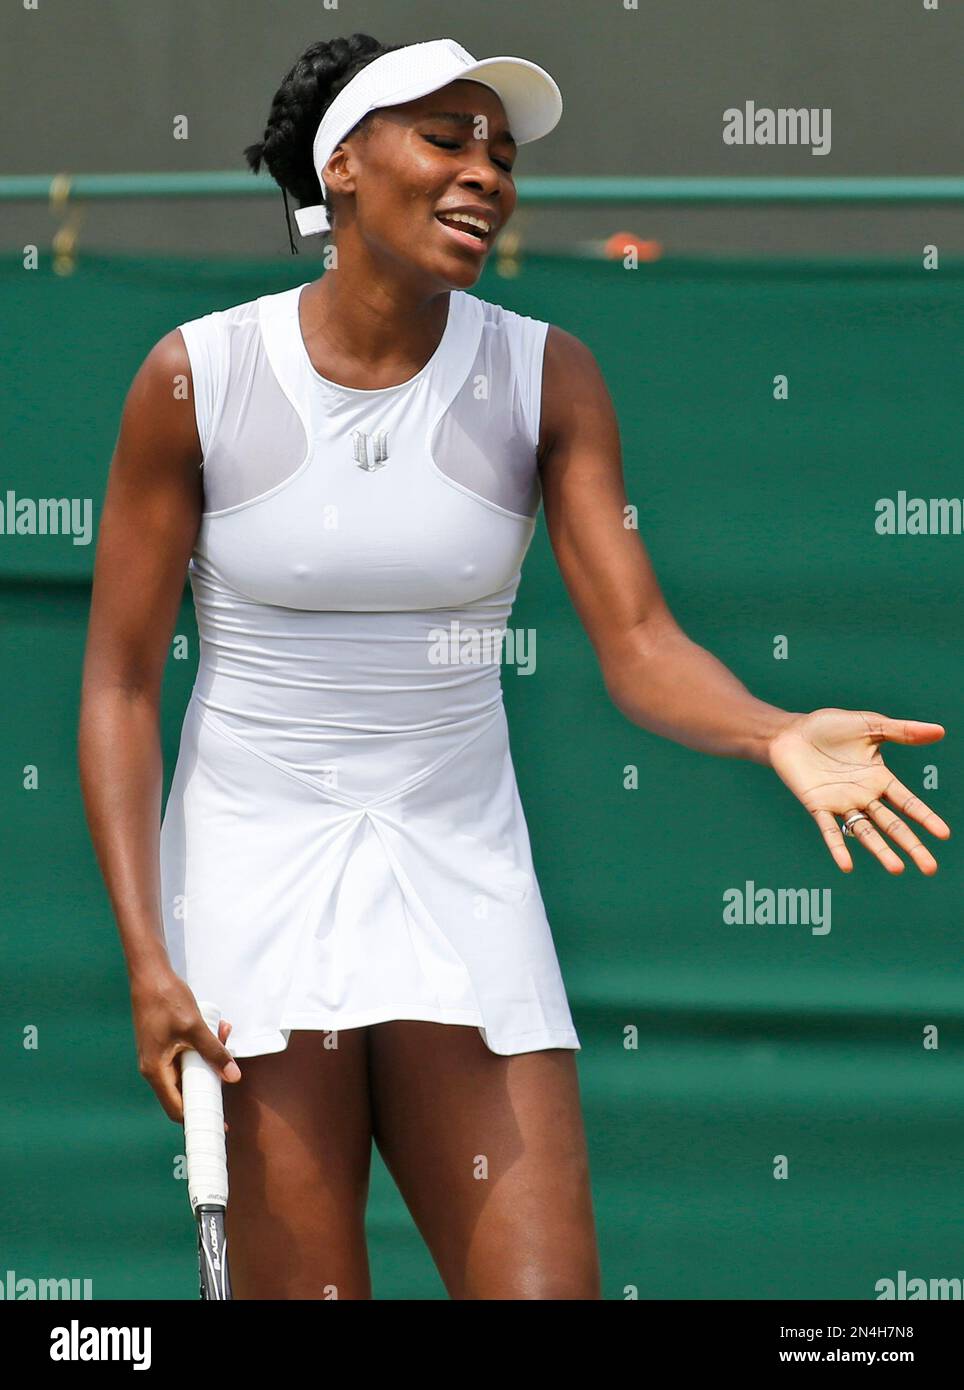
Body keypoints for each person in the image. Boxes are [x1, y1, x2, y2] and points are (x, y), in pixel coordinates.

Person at [78, 33, 950, 1301]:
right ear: (345, 170)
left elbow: (641, 645)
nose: (485, 170)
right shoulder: (193, 378)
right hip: (244, 888)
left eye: (502, 150)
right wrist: (150, 962)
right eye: (445, 137)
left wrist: (770, 730)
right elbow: (116, 688)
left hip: (462, 879)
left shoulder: (546, 374)